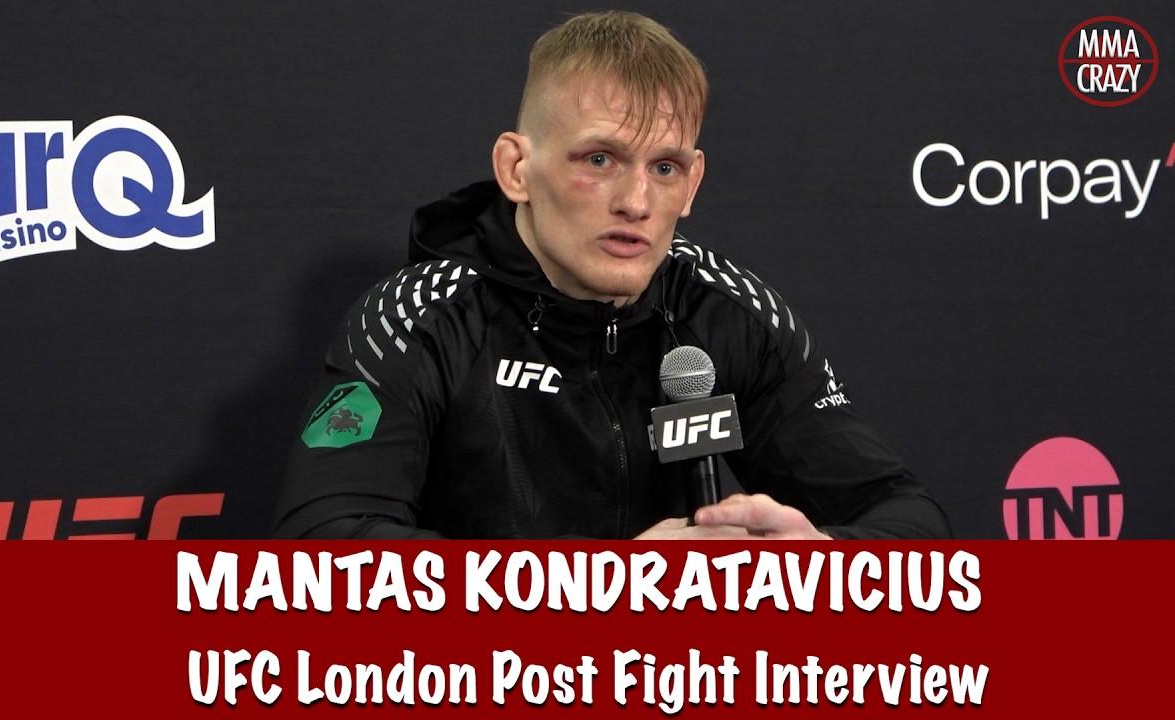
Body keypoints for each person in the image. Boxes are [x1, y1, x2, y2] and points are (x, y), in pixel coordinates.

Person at [273, 10, 951, 540]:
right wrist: (610, 585)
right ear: (516, 169)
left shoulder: (726, 312)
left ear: (693, 184)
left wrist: (821, 554)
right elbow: (321, 547)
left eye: (665, 167)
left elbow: (909, 519)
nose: (637, 201)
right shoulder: (417, 318)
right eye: (599, 160)